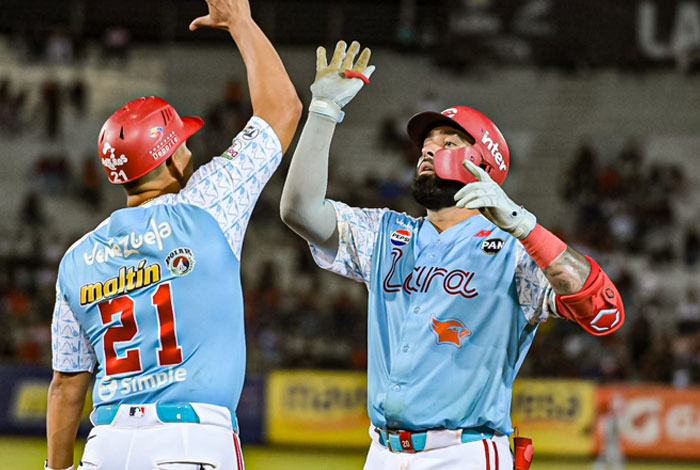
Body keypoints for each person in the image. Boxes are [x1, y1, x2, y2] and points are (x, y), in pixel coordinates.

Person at [280, 40, 625, 470]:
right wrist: (324, 110)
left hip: (464, 452)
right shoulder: (388, 233)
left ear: (484, 162)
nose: (427, 148)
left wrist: (525, 226)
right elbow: (299, 210)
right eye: (426, 143)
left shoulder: (515, 250)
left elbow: (604, 312)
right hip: (381, 453)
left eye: (447, 141)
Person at [46, 0, 301, 468]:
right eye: (182, 143)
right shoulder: (206, 202)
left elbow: (66, 385)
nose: (190, 150)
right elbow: (283, 107)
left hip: (108, 443)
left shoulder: (77, 259)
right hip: (191, 440)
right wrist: (240, 23)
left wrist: (56, 467)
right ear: (165, 160)